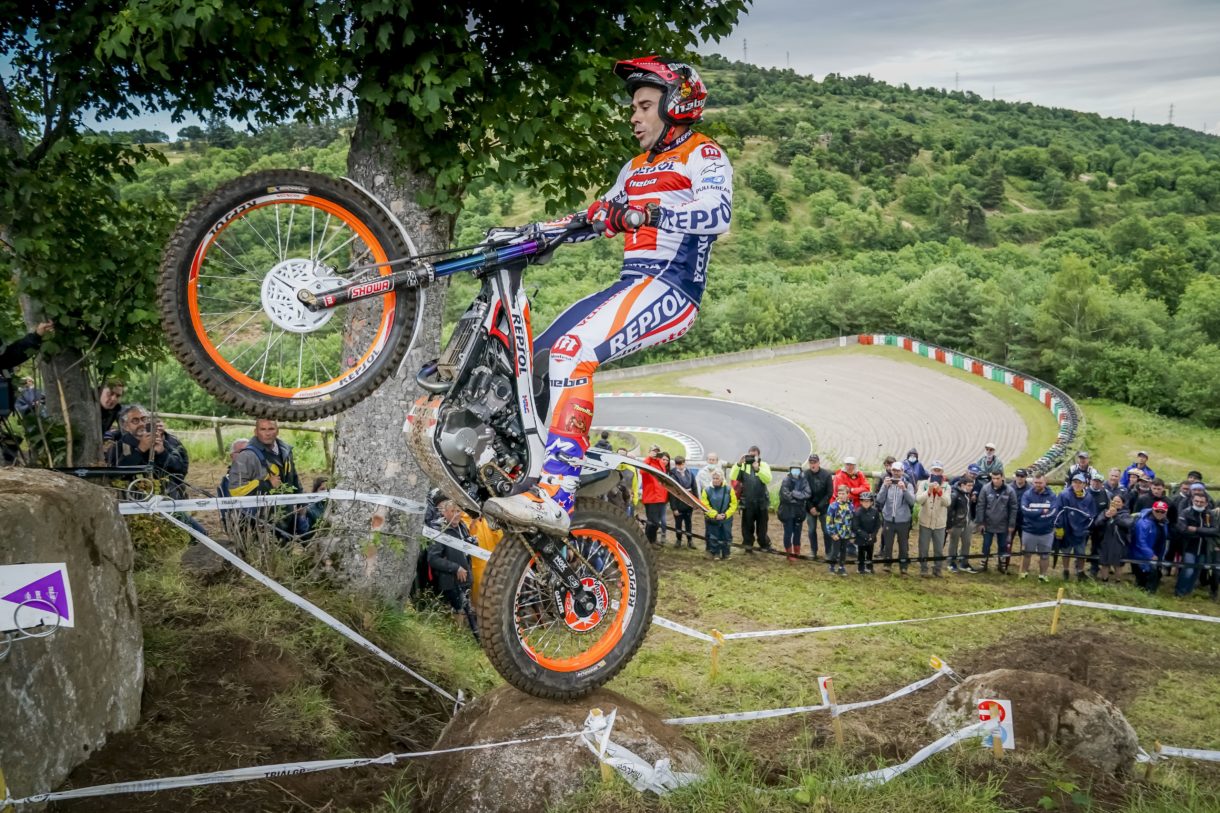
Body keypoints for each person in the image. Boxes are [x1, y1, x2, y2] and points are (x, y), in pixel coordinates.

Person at [484, 57, 732, 535]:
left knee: (573, 355)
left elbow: (717, 214)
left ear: (676, 105)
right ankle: (527, 469)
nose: (634, 117)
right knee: (534, 359)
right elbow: (596, 218)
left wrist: (646, 214)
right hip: (630, 284)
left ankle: (556, 495)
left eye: (644, 106)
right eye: (632, 108)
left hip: (672, 287)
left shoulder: (704, 156)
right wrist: (533, 234)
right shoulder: (634, 167)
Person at [225, 418, 309, 539]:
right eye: (263, 429)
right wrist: (267, 484)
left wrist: (302, 502)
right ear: (256, 432)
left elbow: (293, 478)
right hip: (260, 523)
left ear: (277, 431)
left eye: (271, 429)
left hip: (287, 515)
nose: (267, 433)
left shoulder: (285, 450)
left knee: (286, 550)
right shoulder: (246, 456)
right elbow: (235, 489)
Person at [427, 499, 477, 635]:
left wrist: (473, 544)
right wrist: (455, 568)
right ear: (445, 513)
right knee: (457, 611)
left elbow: (466, 551)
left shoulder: (463, 527)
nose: (456, 514)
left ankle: (471, 640)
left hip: (466, 578)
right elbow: (433, 559)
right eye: (453, 511)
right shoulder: (439, 529)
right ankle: (456, 639)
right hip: (450, 581)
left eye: (458, 511)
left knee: (469, 613)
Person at [1054, 473, 1097, 582]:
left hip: (1081, 531)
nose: (1077, 484)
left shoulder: (1089, 497)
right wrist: (1059, 527)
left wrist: (1086, 528)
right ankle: (1066, 570)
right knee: (1066, 552)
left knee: (1081, 553)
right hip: (1067, 530)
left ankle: (1080, 572)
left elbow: (1092, 515)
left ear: (1084, 484)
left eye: (1079, 482)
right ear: (1071, 483)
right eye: (1075, 482)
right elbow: (1058, 512)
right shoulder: (1064, 495)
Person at [1174, 489, 1216, 598]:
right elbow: (1183, 529)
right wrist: (1203, 532)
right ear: (1193, 500)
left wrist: (1197, 530)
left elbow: (1214, 530)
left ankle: (1188, 591)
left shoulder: (1210, 514)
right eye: (1196, 501)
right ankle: (1179, 592)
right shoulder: (1186, 512)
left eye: (1201, 502)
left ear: (1206, 503)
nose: (1199, 503)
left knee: (1197, 571)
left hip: (1204, 548)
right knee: (1188, 570)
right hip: (1189, 547)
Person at [730, 445, 772, 553]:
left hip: (761, 502)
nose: (752, 457)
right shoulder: (742, 466)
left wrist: (757, 469)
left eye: (754, 455)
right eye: (750, 455)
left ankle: (764, 544)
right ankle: (748, 545)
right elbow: (733, 477)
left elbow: (768, 479)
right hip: (748, 502)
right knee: (747, 526)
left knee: (762, 527)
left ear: (758, 456)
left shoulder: (764, 465)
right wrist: (738, 463)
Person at [876, 461, 915, 575]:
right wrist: (884, 486)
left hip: (903, 521)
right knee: (888, 544)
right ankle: (887, 564)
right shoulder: (887, 483)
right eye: (894, 470)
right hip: (888, 520)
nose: (896, 473)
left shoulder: (908, 485)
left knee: (903, 545)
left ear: (902, 471)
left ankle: (903, 566)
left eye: (898, 471)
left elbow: (912, 501)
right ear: (891, 471)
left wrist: (904, 489)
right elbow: (879, 500)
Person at [976, 470, 1018, 573]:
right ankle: (983, 564)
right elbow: (980, 506)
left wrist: (1011, 525)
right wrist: (981, 522)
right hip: (988, 523)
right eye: (993, 478)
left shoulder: (1010, 491)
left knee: (1003, 545)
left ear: (1002, 477)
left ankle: (1002, 565)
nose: (995, 481)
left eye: (997, 478)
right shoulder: (985, 489)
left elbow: (1013, 508)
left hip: (1003, 524)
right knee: (986, 544)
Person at [915, 462, 952, 577]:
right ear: (930, 471)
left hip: (939, 523)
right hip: (925, 521)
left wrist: (940, 492)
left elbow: (947, 503)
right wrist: (928, 491)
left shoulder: (946, 486)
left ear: (942, 472)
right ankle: (924, 568)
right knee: (923, 547)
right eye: (934, 470)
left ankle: (937, 569)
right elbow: (919, 500)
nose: (936, 472)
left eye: (938, 470)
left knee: (939, 548)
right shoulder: (923, 484)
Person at [1019, 474, 1057, 581]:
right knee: (1027, 553)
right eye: (1036, 482)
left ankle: (1043, 575)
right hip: (1029, 530)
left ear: (1045, 482)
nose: (1038, 485)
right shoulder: (1027, 495)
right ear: (1033, 483)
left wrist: (1036, 514)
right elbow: (1025, 511)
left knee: (1045, 555)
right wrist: (1041, 512)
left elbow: (1053, 512)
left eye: (1040, 482)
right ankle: (1023, 572)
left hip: (1046, 531)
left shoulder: (1052, 496)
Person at [1129, 501, 1170, 593]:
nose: (1159, 513)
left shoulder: (1164, 522)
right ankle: (1145, 595)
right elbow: (1140, 541)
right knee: (1145, 576)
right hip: (1142, 555)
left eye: (1162, 511)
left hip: (1157, 552)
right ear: (1152, 510)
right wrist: (1150, 555)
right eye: (1157, 511)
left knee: (1154, 575)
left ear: (1166, 512)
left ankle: (1148, 593)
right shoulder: (1144, 523)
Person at [700, 469, 736, 560]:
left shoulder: (729, 489)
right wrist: (715, 515)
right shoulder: (706, 490)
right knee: (713, 535)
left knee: (726, 535)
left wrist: (726, 514)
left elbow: (733, 504)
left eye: (717, 478)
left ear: (722, 478)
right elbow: (705, 505)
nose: (715, 480)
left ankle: (726, 553)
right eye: (714, 478)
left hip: (726, 518)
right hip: (713, 518)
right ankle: (715, 553)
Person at [802, 453, 834, 560]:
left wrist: (819, 507)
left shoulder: (826, 475)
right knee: (811, 530)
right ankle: (813, 551)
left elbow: (829, 493)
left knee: (826, 531)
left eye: (814, 462)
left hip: (824, 508)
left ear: (819, 463)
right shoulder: (805, 475)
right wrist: (811, 507)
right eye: (811, 463)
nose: (812, 465)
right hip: (809, 508)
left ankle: (829, 552)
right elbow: (804, 492)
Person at [778, 464, 812, 562]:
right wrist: (798, 500)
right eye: (793, 469)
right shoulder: (786, 480)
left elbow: (807, 493)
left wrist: (794, 493)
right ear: (790, 470)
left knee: (798, 532)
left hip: (799, 512)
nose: (795, 471)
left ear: (800, 470)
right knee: (788, 533)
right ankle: (789, 553)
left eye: (797, 469)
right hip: (787, 512)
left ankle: (797, 552)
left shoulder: (804, 480)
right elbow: (785, 496)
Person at [640, 445, 669, 545]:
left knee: (656, 522)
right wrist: (649, 457)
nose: (655, 453)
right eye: (653, 451)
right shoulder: (647, 462)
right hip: (651, 497)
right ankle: (648, 541)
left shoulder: (660, 463)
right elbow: (642, 471)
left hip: (660, 497)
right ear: (650, 452)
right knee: (653, 521)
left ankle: (652, 539)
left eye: (657, 451)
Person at [947, 475, 976, 573]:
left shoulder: (967, 494)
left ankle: (964, 562)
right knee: (953, 544)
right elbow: (949, 511)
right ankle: (951, 563)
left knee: (966, 543)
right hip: (956, 524)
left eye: (972, 486)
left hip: (967, 523)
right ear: (962, 485)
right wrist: (949, 525)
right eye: (969, 485)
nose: (970, 488)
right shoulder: (954, 494)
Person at [669, 455, 698, 548]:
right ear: (675, 465)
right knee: (678, 523)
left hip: (688, 503)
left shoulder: (690, 473)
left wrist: (695, 502)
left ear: (685, 463)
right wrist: (674, 508)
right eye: (678, 465)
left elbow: (694, 488)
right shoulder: (672, 475)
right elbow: (672, 493)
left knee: (688, 522)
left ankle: (690, 540)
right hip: (678, 502)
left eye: (682, 464)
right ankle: (678, 540)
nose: (680, 466)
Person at [825, 484, 854, 576]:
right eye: (839, 493)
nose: (841, 495)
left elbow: (852, 521)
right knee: (835, 551)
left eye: (843, 493)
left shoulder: (851, 506)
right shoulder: (833, 506)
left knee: (843, 551)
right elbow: (829, 521)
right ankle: (832, 567)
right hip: (836, 534)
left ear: (847, 494)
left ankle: (841, 567)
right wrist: (832, 533)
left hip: (846, 534)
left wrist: (852, 534)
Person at [854, 491, 881, 574]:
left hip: (871, 536)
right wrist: (864, 535)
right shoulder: (857, 512)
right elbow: (855, 526)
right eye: (864, 501)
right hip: (861, 537)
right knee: (861, 553)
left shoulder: (875, 512)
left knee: (870, 552)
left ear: (871, 502)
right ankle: (860, 568)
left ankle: (869, 567)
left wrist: (873, 534)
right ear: (861, 502)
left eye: (868, 501)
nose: (866, 503)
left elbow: (877, 524)